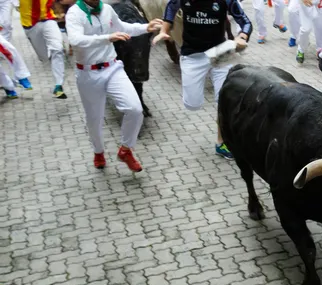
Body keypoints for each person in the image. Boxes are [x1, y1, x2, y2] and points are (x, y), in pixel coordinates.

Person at [65, 0, 162, 170]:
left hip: (112, 67)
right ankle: (98, 152)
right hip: (88, 73)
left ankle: (126, 150)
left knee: (135, 109)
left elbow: (122, 27)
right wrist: (107, 38)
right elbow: (75, 40)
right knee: (94, 119)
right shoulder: (74, 13)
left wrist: (146, 27)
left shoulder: (107, 9)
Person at [160, 0, 252, 158]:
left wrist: (242, 37)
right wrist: (164, 30)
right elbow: (170, 8)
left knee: (225, 100)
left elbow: (245, 22)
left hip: (220, 51)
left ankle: (222, 142)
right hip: (192, 55)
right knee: (193, 105)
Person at [19, 0, 66, 97]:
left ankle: (58, 85)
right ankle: (47, 56)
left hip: (48, 19)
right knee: (44, 57)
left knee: (57, 48)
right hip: (30, 25)